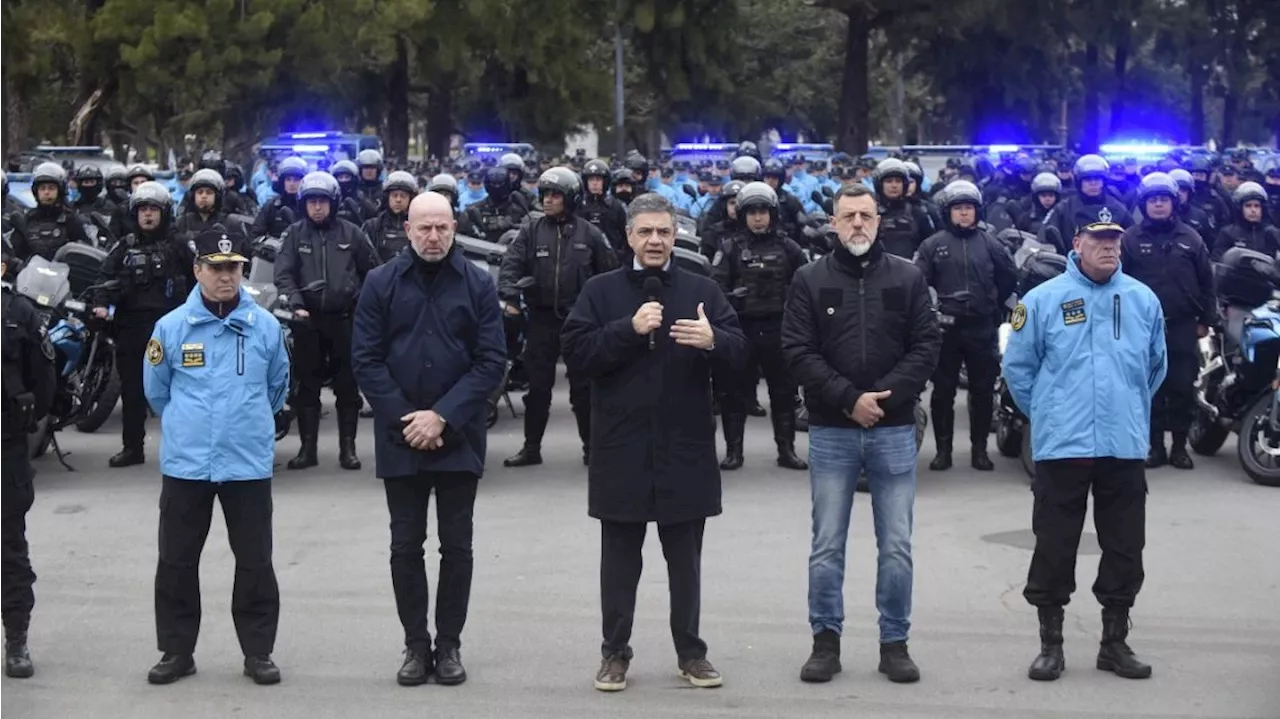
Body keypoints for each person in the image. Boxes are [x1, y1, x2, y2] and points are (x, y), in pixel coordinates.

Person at [561, 192, 746, 693]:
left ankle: (692, 652)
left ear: (675, 235)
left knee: (685, 562)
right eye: (645, 232)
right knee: (620, 564)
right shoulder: (600, 292)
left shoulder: (702, 289)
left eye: (663, 231)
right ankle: (614, 653)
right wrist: (627, 328)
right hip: (621, 450)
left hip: (683, 448)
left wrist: (715, 342)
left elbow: (741, 355)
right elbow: (577, 353)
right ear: (629, 238)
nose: (656, 240)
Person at [781, 183, 941, 685]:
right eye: (847, 215)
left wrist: (883, 398)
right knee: (827, 544)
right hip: (832, 432)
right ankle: (825, 641)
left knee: (896, 544)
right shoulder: (809, 279)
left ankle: (895, 643)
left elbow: (926, 346)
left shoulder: (908, 277)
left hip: (893, 431)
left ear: (879, 221)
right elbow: (798, 350)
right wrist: (849, 398)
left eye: (865, 216)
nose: (856, 224)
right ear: (833, 222)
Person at [351, 192, 507, 687]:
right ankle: (416, 644)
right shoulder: (380, 283)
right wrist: (408, 420)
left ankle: (451, 645)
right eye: (424, 228)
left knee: (457, 547)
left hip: (458, 436)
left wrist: (441, 417)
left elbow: (491, 362)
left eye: (442, 227)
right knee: (405, 546)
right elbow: (366, 360)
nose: (434, 237)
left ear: (454, 227)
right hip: (401, 438)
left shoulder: (479, 283)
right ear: (408, 229)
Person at [1002, 219, 1167, 682]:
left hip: (1123, 443)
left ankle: (1114, 643)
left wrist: (1128, 408)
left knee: (1124, 544)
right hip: (1062, 445)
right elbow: (1018, 368)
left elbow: (1155, 367)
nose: (1109, 248)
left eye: (1115, 241)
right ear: (1077, 245)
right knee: (1055, 543)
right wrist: (1051, 413)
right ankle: (1050, 645)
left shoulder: (1142, 299)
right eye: (1098, 240)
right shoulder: (1043, 300)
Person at [141, 230, 290, 686]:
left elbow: (277, 388)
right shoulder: (170, 327)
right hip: (188, 465)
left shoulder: (265, 326)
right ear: (198, 270)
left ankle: (258, 652)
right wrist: (194, 427)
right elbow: (157, 392)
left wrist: (240, 424)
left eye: (234, 267)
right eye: (216, 267)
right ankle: (176, 651)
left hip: (246, 463)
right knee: (177, 562)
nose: (226, 276)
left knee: (255, 561)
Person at [497, 167, 617, 467]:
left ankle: (593, 449)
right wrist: (510, 295)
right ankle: (531, 448)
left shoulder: (591, 234)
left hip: (580, 323)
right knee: (537, 388)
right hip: (541, 320)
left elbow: (611, 276)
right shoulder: (531, 230)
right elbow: (510, 265)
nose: (548, 201)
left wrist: (605, 314)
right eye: (545, 194)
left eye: (555, 195)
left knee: (583, 389)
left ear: (571, 198)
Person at [274, 171, 375, 471]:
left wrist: (363, 307)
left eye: (322, 202)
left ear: (333, 202)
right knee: (307, 386)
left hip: (345, 320)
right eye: (311, 202)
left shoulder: (352, 233)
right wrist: (295, 304)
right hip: (307, 321)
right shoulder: (293, 234)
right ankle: (308, 449)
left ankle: (349, 449)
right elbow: (283, 274)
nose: (317, 207)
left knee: (347, 386)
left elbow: (374, 273)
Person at [913, 180, 1017, 471]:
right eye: (958, 208)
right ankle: (943, 451)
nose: (964, 214)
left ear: (977, 211)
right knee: (943, 391)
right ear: (948, 212)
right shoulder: (932, 244)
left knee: (983, 391)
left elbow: (1009, 276)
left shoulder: (991, 244)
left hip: (983, 328)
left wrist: (993, 304)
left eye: (968, 208)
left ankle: (979, 450)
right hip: (946, 331)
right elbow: (919, 282)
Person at [94, 182, 196, 467]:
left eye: (153, 209)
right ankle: (133, 448)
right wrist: (101, 305)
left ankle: (186, 449)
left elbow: (201, 279)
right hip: (132, 326)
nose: (148, 215)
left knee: (183, 390)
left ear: (164, 213)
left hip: (174, 327)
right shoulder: (124, 246)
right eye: (143, 210)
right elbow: (103, 278)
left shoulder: (180, 245)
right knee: (132, 390)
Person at [710, 181, 808, 471]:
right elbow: (715, 289)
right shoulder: (728, 247)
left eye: (763, 211)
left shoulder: (788, 247)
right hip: (741, 330)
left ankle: (786, 450)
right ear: (742, 215)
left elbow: (806, 285)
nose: (757, 217)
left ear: (772, 213)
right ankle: (734, 452)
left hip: (779, 329)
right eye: (751, 212)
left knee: (784, 392)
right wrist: (732, 297)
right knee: (733, 392)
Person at [1120, 172, 1215, 470]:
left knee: (1182, 387)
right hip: (1142, 326)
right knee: (1148, 388)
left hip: (1182, 325)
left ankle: (1179, 447)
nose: (1159, 205)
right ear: (1143, 204)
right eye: (1153, 200)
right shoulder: (1130, 238)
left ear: (1174, 203)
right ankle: (1155, 446)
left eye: (1164, 200)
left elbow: (1207, 283)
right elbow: (1117, 283)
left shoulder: (1191, 238)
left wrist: (1206, 321)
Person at [0, 253, 56, 679]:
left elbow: (44, 379)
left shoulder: (21, 313)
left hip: (5, 447)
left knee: (9, 551)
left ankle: (16, 640)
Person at [8, 162, 92, 261]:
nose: (46, 192)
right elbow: (14, 253)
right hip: (32, 274)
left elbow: (85, 253)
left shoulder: (71, 219)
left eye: (51, 188)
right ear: (36, 192)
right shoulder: (28, 219)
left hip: (63, 274)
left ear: (60, 191)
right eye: (42, 188)